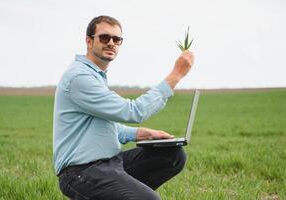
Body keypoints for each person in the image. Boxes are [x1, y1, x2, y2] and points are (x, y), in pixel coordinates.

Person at [53, 15, 194, 200]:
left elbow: (102, 126)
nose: (111, 43)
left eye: (117, 39)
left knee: (172, 155)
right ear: (88, 41)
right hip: (81, 172)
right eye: (104, 37)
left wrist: (144, 133)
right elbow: (133, 111)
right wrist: (176, 75)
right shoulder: (80, 77)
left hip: (110, 163)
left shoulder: (95, 75)